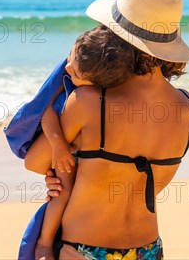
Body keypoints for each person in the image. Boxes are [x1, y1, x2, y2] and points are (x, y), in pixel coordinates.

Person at [24, 0, 189, 260]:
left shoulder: (92, 101)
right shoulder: (185, 106)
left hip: (84, 247)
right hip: (148, 249)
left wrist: (63, 169)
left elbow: (35, 162)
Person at [35, 25, 136, 260]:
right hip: (71, 155)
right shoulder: (74, 93)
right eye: (71, 57)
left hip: (95, 166)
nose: (68, 68)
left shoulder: (101, 96)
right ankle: (44, 243)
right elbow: (46, 113)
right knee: (63, 190)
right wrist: (59, 146)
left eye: (77, 74)